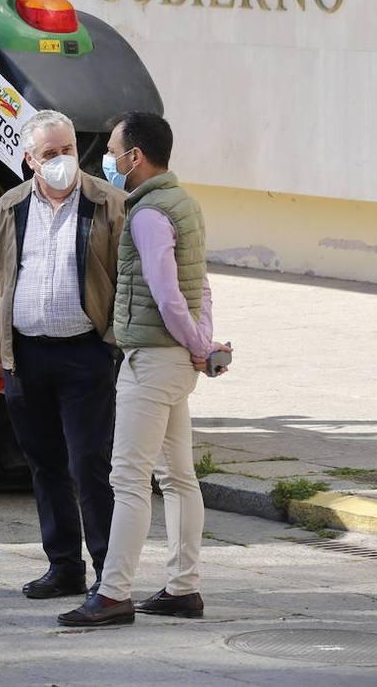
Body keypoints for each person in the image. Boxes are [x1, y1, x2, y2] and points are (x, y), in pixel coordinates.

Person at [59, 112, 230, 628]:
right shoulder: (184, 204)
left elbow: (168, 294)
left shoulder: (149, 214)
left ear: (136, 157)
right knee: (178, 477)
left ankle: (112, 593)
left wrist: (198, 343)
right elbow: (199, 286)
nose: (108, 160)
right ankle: (183, 588)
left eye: (113, 150)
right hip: (174, 361)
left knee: (127, 479)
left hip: (152, 360)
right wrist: (202, 345)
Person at [0, 110, 125, 600]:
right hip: (26, 355)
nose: (62, 160)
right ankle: (64, 565)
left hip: (86, 355)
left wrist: (117, 344)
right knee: (43, 464)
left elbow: (129, 279)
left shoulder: (109, 203)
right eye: (49, 154)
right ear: (29, 160)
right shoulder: (9, 206)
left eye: (67, 150)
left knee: (90, 463)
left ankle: (110, 572)